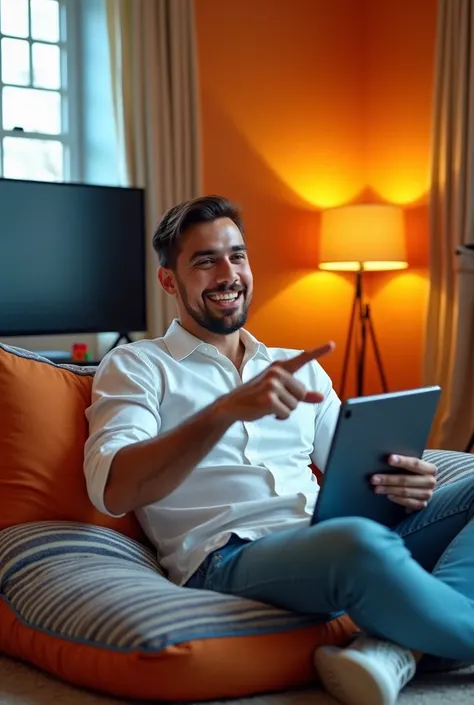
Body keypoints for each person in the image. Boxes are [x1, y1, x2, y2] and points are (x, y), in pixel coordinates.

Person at [84, 195, 474, 705]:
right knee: (357, 543)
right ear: (169, 281)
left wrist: (408, 480)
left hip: (326, 535)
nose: (228, 274)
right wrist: (224, 411)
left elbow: (359, 473)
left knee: (381, 526)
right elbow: (113, 488)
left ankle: (401, 648)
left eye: (237, 255)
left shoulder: (299, 367)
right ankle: (425, 630)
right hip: (228, 557)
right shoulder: (136, 365)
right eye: (205, 261)